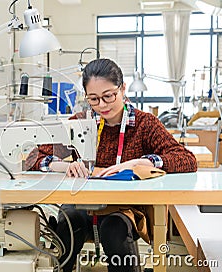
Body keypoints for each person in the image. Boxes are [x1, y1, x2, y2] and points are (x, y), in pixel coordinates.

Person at [25, 58, 197, 272]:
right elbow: (32, 159)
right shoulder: (80, 123)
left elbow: (187, 159)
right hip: (83, 205)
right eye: (93, 99)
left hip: (124, 208)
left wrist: (142, 162)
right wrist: (61, 166)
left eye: (108, 96)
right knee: (69, 224)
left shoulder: (144, 125)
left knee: (114, 230)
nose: (102, 106)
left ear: (123, 88)